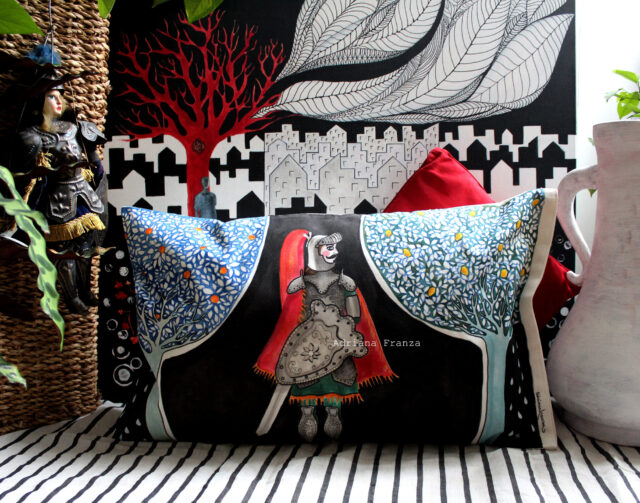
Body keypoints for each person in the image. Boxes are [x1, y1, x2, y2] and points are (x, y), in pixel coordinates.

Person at [255, 230, 395, 442]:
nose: (334, 252)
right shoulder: (301, 283)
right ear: (315, 251)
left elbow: (354, 314)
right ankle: (307, 414)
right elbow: (291, 310)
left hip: (337, 342)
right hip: (307, 346)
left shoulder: (345, 282)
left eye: (335, 247)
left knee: (335, 383)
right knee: (305, 381)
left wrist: (345, 323)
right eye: (329, 248)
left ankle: (333, 414)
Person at [14, 75, 107, 313]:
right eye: (51, 97)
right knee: (64, 251)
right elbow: (26, 177)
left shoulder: (74, 128)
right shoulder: (33, 136)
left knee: (86, 245)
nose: (58, 102)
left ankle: (85, 288)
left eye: (59, 97)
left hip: (84, 195)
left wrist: (97, 174)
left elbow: (94, 161)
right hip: (57, 201)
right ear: (39, 102)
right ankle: (71, 296)